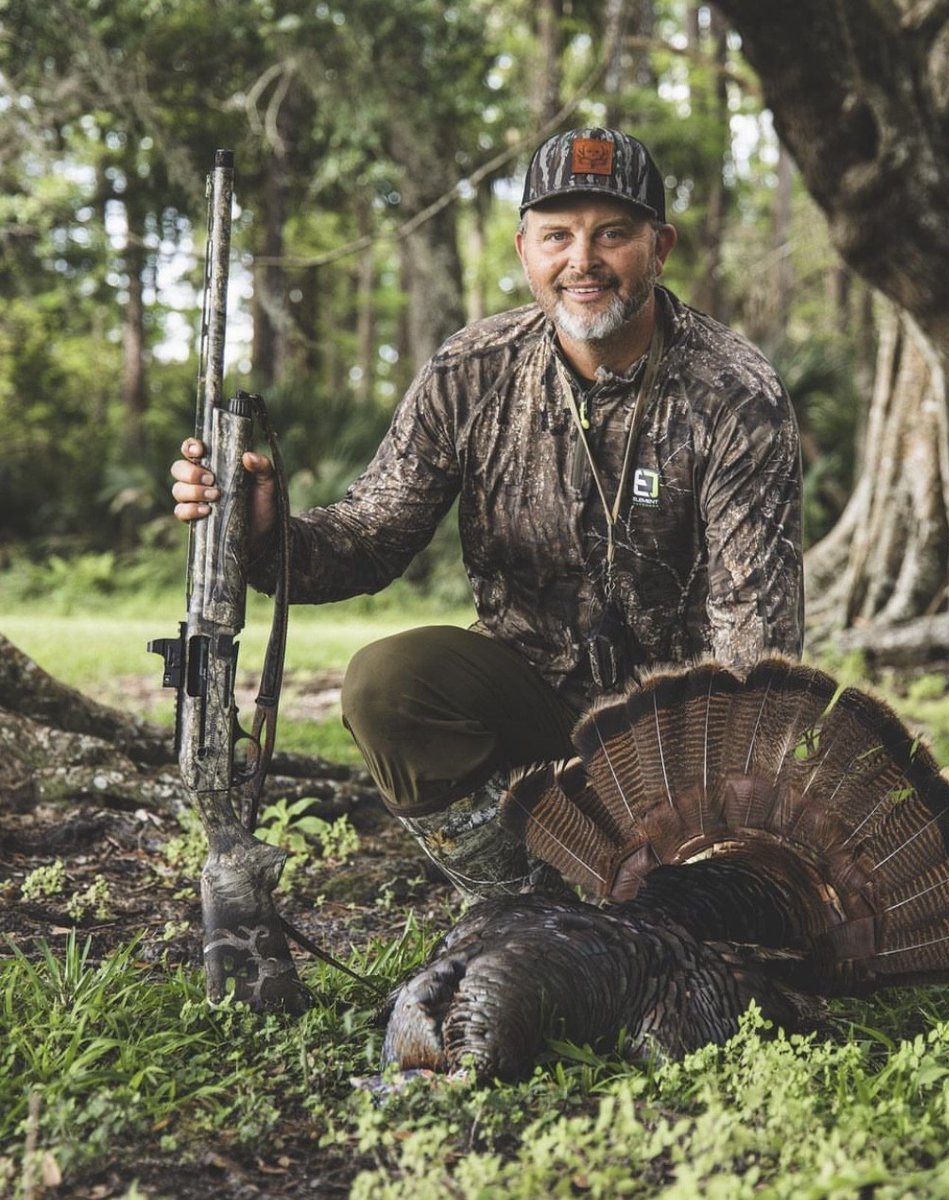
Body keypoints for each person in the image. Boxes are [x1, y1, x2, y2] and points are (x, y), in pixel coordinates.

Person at [172, 127, 804, 899]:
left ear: (659, 246)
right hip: (529, 703)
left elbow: (754, 635)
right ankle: (520, 902)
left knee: (729, 920)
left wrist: (726, 809)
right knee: (387, 682)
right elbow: (371, 537)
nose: (582, 261)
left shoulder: (732, 392)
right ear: (523, 250)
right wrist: (268, 531)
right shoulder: (471, 370)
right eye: (556, 236)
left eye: (612, 234)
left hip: (678, 735)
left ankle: (661, 896)